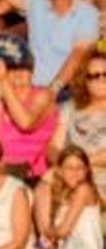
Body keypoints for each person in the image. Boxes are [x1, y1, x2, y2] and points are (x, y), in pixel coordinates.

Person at [0, 0, 99, 98]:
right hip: (32, 88)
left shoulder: (87, 13)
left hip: (67, 90)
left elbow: (78, 55)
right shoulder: (36, 1)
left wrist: (53, 90)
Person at [4, 145, 103, 249]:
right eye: (69, 168)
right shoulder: (61, 198)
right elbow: (52, 238)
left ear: (87, 170)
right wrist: (40, 248)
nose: (75, 173)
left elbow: (62, 231)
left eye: (80, 168)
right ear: (60, 171)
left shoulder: (84, 190)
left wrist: (47, 232)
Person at [0, 39, 58, 182]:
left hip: (33, 174)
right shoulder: (2, 103)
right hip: (3, 171)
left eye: (23, 66)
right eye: (12, 67)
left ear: (31, 70)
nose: (18, 72)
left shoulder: (44, 95)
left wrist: (3, 83)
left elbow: (26, 123)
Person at [49, 50, 106, 198]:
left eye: (105, 74)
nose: (101, 79)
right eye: (94, 76)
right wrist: (64, 166)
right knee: (43, 188)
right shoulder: (70, 107)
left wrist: (79, 164)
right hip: (70, 175)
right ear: (84, 81)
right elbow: (53, 146)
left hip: (100, 173)